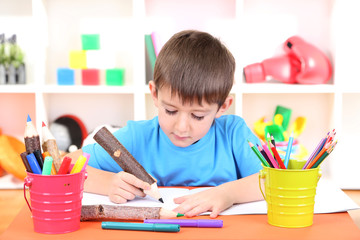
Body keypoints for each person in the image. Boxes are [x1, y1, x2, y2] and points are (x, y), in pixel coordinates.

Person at [69, 30, 264, 218]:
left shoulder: (233, 134)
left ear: (223, 106)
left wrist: (228, 194)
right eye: (171, 111)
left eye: (197, 116)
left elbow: (281, 180)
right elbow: (65, 164)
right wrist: (108, 183)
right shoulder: (137, 137)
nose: (181, 127)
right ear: (154, 94)